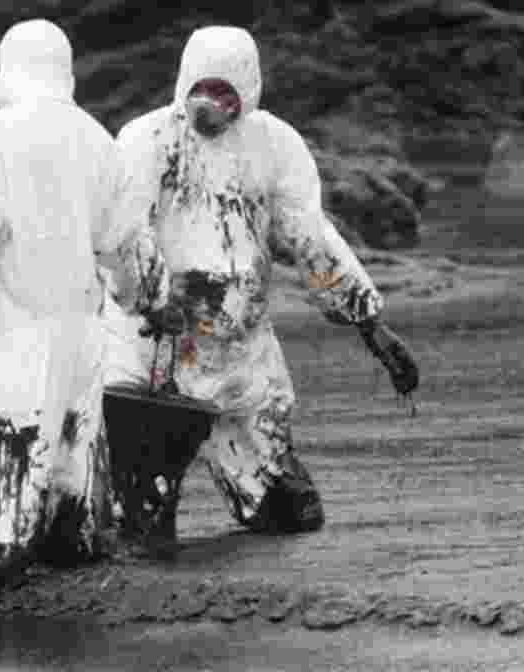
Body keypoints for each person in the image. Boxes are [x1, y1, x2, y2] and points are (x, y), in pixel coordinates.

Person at [101, 26, 420, 537]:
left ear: (248, 92)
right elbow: (121, 232)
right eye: (202, 88)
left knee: (291, 517)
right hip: (153, 352)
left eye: (227, 92)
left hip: (242, 357)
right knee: (142, 526)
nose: (212, 103)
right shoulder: (146, 141)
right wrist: (154, 295)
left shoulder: (275, 143)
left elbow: (310, 236)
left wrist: (370, 324)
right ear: (184, 83)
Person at [0, 19, 172, 612]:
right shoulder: (97, 140)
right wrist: (148, 300)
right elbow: (123, 242)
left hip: (8, 334)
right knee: (69, 462)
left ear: (7, 67)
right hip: (78, 335)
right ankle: (68, 588)